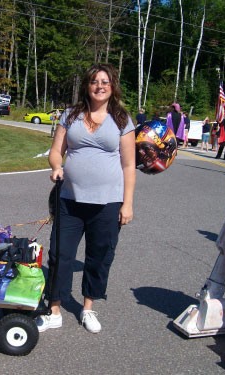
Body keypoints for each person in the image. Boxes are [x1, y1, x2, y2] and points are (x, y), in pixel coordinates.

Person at [37, 63, 136, 334]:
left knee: (99, 256)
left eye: (105, 81)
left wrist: (127, 204)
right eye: (94, 81)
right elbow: (56, 151)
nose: (100, 86)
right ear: (87, 86)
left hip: (108, 203)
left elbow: (129, 165)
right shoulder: (71, 115)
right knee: (60, 254)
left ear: (112, 86)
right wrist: (57, 167)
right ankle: (54, 309)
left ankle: (88, 307)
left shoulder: (122, 120)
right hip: (69, 198)